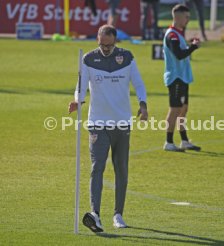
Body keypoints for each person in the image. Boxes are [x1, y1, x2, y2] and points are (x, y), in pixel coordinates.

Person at [68, 25, 148, 232]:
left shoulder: (127, 57)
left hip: (122, 121)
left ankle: (118, 214)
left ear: (115, 41)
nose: (104, 48)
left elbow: (138, 83)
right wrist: (78, 100)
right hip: (97, 122)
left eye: (108, 45)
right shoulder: (88, 59)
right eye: (101, 44)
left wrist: (143, 104)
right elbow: (81, 85)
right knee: (97, 167)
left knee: (121, 168)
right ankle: (95, 214)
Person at [163, 4, 201, 152]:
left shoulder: (177, 33)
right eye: (186, 17)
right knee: (175, 109)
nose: (188, 20)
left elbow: (180, 51)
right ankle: (168, 142)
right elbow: (178, 55)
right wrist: (193, 47)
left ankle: (184, 141)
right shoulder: (172, 35)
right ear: (178, 17)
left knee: (183, 109)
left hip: (183, 77)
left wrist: (190, 45)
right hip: (175, 78)